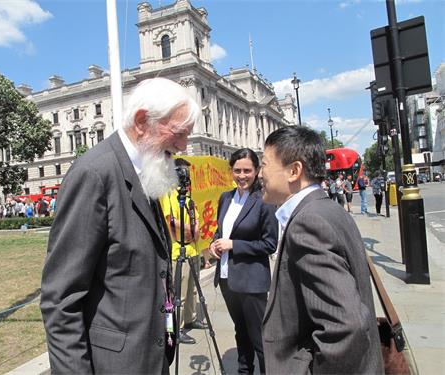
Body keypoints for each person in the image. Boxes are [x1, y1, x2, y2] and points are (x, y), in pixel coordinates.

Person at [40, 77, 200, 374]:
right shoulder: (95, 174)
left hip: (151, 358)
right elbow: (61, 299)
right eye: (178, 133)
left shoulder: (145, 171)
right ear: (142, 121)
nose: (182, 146)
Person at [259, 126, 383, 375]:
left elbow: (345, 326)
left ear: (294, 171)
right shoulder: (326, 209)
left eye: (264, 164)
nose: (260, 174)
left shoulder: (308, 222)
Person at [210, 148, 278, 375]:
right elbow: (220, 231)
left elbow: (270, 244)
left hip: (252, 280)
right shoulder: (225, 198)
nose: (242, 175)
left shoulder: (264, 200)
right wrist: (215, 243)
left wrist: (234, 245)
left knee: (259, 336)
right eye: (237, 170)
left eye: (247, 170)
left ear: (257, 171)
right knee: (241, 330)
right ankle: (244, 370)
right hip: (228, 279)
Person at [160, 158, 206, 345]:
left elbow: (197, 222)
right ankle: (175, 330)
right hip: (177, 251)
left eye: (186, 173)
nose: (185, 177)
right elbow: (170, 221)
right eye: (182, 173)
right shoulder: (168, 194)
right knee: (178, 292)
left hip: (193, 250)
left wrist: (194, 229)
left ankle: (190, 318)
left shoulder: (188, 197)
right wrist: (190, 229)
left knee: (192, 289)